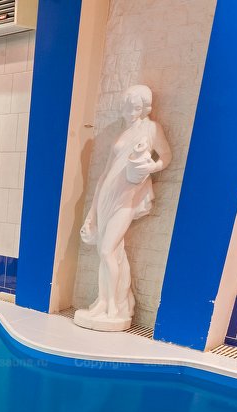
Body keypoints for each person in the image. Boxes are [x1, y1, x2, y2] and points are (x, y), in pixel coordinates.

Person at [76, 84, 171, 331]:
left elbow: (166, 156)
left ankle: (114, 307)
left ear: (145, 107)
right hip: (107, 195)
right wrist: (91, 213)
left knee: (108, 250)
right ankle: (102, 301)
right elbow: (105, 173)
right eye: (127, 107)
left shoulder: (152, 129)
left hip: (126, 198)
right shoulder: (123, 134)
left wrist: (152, 167)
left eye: (135, 107)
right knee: (105, 252)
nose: (129, 112)